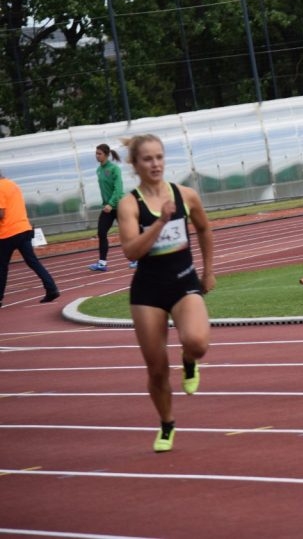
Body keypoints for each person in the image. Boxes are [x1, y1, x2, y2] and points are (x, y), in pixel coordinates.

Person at [117, 134, 215, 452]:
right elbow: (131, 252)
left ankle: (189, 361)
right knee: (156, 368)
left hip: (184, 282)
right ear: (135, 165)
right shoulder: (129, 205)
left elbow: (204, 228)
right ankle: (167, 423)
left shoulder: (185, 194)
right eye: (147, 159)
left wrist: (209, 269)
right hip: (148, 291)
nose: (155, 164)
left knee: (197, 342)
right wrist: (160, 222)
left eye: (159, 157)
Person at [0, 172, 60, 307]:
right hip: (23, 228)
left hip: (7, 233)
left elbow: (1, 213)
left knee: (2, 267)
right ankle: (51, 288)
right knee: (33, 262)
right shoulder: (13, 185)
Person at [88, 143, 136, 271]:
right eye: (96, 153)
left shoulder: (114, 169)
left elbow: (119, 190)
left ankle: (136, 259)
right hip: (107, 207)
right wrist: (106, 204)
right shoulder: (98, 170)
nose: (97, 156)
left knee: (126, 233)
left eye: (99, 154)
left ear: (107, 155)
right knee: (101, 232)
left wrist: (111, 203)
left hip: (119, 205)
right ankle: (102, 264)